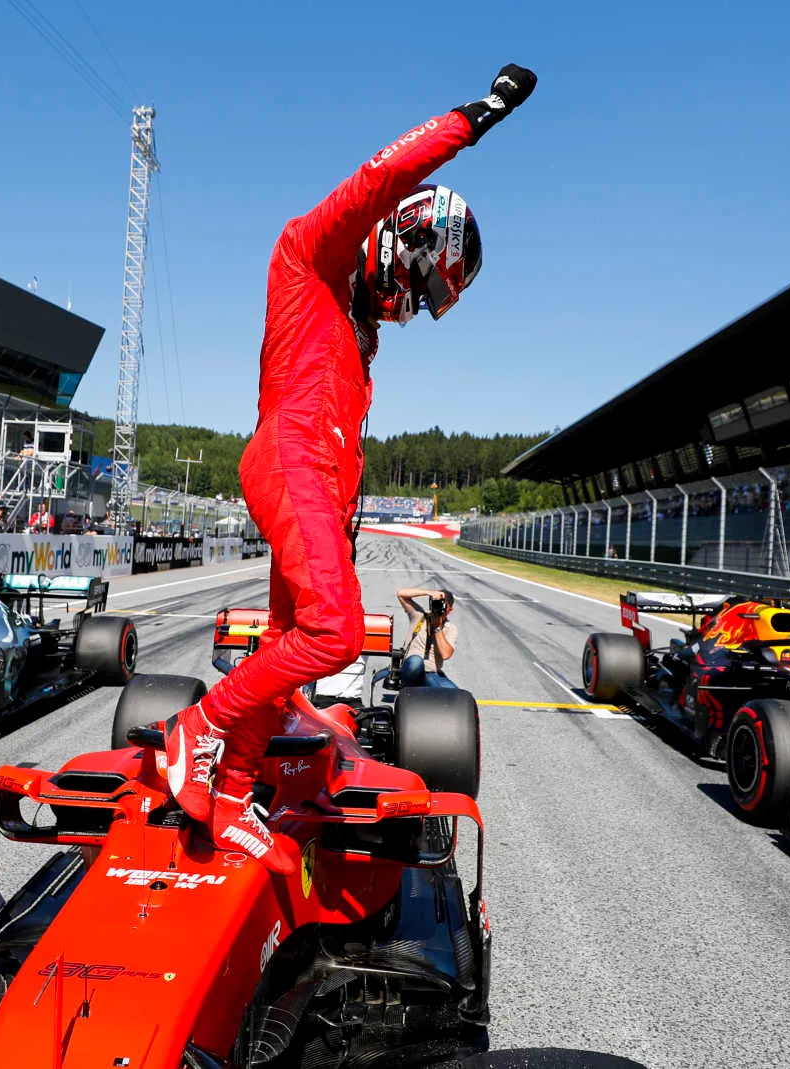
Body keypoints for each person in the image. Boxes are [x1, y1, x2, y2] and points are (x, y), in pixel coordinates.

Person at [162, 65, 536, 872]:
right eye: (428, 281)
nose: (417, 303)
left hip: (319, 486)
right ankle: (197, 728)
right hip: (288, 458)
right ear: (410, 234)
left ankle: (228, 798)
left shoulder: (359, 331)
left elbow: (349, 441)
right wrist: (476, 117)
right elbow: (381, 174)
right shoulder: (312, 253)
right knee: (334, 633)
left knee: (291, 652)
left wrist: (346, 520)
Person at [397, 587, 458, 675]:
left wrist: (438, 627)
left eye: (441, 605)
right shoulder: (419, 616)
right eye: (435, 603)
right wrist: (428, 592)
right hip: (410, 670)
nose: (437, 607)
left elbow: (445, 654)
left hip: (431, 673)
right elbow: (401, 594)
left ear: (449, 610)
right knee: (416, 661)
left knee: (453, 689)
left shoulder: (451, 628)